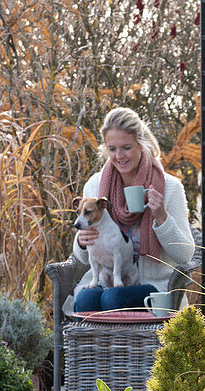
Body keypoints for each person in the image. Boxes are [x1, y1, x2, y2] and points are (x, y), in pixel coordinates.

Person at [67, 107, 195, 314]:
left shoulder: (169, 187)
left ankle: (121, 348)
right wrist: (81, 242)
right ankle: (91, 348)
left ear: (141, 144)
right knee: (85, 300)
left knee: (113, 298)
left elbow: (185, 255)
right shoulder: (95, 185)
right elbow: (82, 258)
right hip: (106, 278)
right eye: (112, 149)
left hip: (153, 285)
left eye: (126, 147)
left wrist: (161, 216)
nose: (119, 156)